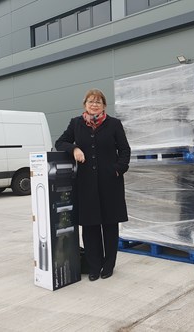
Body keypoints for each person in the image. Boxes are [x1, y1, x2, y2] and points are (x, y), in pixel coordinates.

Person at [55, 88, 131, 281]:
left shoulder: (114, 124)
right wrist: (74, 148)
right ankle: (94, 266)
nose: (94, 104)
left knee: (109, 226)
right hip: (86, 183)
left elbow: (125, 150)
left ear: (104, 105)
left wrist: (118, 169)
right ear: (85, 105)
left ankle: (108, 265)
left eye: (98, 101)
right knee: (90, 227)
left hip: (110, 183)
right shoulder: (76, 124)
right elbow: (60, 142)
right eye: (91, 101)